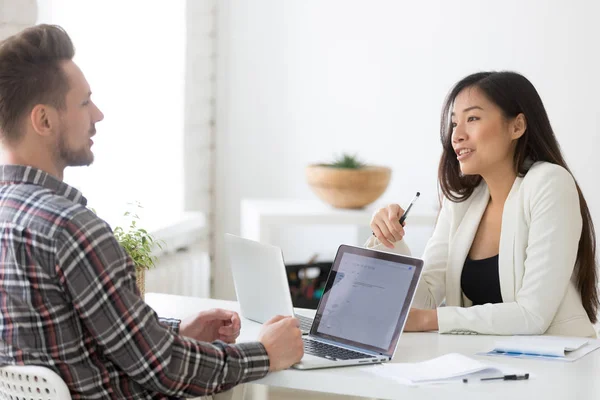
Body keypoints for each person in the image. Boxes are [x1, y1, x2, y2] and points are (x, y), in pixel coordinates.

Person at [0, 24, 303, 399]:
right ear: (44, 120)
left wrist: (173, 332)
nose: (98, 114)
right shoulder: (70, 229)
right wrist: (265, 354)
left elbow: (72, 349)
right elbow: (164, 369)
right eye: (83, 103)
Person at [368, 71, 598, 338]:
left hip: (558, 366)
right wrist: (390, 239)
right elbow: (424, 300)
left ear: (517, 126)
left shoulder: (549, 183)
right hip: (484, 364)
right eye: (454, 123)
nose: (457, 135)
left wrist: (428, 321)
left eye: (472, 118)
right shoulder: (463, 200)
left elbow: (533, 315)